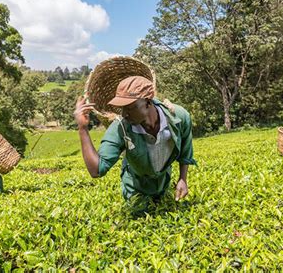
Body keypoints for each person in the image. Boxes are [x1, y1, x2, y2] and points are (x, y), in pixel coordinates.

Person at [74, 76, 196, 216]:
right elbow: (96, 170)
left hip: (163, 181)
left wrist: (183, 179)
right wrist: (83, 128)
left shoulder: (178, 117)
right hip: (135, 186)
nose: (125, 114)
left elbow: (185, 152)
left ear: (148, 102)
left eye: (130, 107)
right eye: (122, 108)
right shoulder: (121, 127)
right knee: (139, 219)